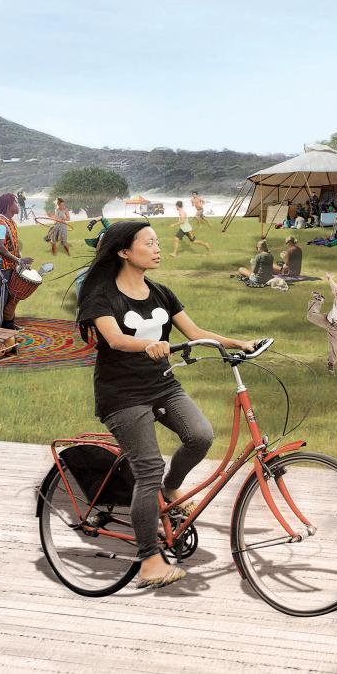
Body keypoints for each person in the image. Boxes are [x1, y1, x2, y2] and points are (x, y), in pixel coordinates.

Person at [76, 220, 259, 588]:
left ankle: (172, 487)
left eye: (158, 242)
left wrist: (237, 343)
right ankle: (149, 562)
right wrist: (146, 344)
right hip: (122, 395)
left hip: (162, 385)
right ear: (125, 252)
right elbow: (113, 338)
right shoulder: (102, 295)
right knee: (147, 470)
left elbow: (195, 333)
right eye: (149, 243)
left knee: (201, 436)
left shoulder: (161, 293)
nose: (157, 248)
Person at [0, 193, 31, 329]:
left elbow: (12, 246)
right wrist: (19, 260)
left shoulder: (10, 222)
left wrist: (20, 260)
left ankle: (8, 323)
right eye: (15, 203)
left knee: (11, 296)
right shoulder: (0, 224)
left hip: (9, 265)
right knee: (1, 297)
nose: (17, 206)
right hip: (1, 266)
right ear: (9, 206)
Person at [306, 273, 337, 371]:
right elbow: (335, 289)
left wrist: (331, 280)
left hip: (336, 328)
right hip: (328, 319)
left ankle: (331, 364)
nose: (334, 292)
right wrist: (329, 280)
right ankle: (319, 300)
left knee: (334, 347)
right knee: (310, 316)